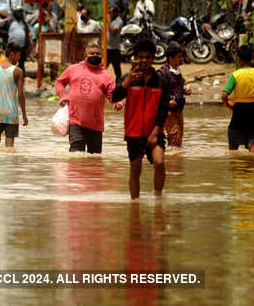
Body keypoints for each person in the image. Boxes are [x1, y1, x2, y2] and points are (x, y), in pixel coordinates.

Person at [112, 40, 170, 199]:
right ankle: (134, 205)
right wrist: (127, 81)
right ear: (136, 58)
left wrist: (155, 132)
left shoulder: (161, 81)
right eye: (141, 57)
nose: (144, 60)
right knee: (135, 171)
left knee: (159, 162)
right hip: (134, 133)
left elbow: (163, 109)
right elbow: (114, 96)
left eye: (148, 57)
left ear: (153, 58)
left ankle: (158, 198)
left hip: (155, 131)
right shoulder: (129, 78)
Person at [55, 43, 121, 153]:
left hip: (96, 124)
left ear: (102, 57)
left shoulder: (106, 75)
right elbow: (59, 82)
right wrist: (63, 96)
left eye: (97, 54)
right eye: (91, 53)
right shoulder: (73, 69)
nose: (95, 55)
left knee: (94, 156)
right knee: (76, 154)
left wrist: (117, 102)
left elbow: (112, 93)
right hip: (76, 121)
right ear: (85, 56)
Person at [222, 46, 254, 153]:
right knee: (252, 144)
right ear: (251, 59)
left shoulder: (235, 75)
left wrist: (229, 106)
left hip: (239, 109)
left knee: (233, 146)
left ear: (239, 59)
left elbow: (224, 96)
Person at [0, 43, 28, 147]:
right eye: (18, 55)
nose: (19, 58)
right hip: (11, 114)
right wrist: (24, 115)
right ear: (12, 54)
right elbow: (20, 95)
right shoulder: (18, 71)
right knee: (10, 144)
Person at [157, 44, 191, 148]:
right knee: (174, 136)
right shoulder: (162, 73)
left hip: (179, 108)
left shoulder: (177, 71)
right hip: (168, 111)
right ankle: (172, 162)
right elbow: (156, 93)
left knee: (179, 137)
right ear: (170, 58)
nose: (182, 59)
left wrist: (184, 91)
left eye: (182, 56)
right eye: (179, 57)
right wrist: (167, 102)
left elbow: (174, 88)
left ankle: (175, 161)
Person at [7, 6, 30, 72]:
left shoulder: (24, 23)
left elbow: (27, 34)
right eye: (18, 12)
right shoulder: (10, 21)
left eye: (21, 12)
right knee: (11, 64)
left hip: (22, 48)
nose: (20, 14)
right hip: (12, 48)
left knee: (21, 64)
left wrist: (27, 46)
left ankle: (21, 79)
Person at [107, 5, 124, 80]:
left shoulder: (119, 20)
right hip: (107, 48)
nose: (110, 14)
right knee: (103, 67)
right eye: (109, 13)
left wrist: (108, 21)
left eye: (111, 13)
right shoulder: (110, 20)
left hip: (114, 49)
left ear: (116, 13)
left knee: (117, 69)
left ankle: (118, 83)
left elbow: (113, 30)